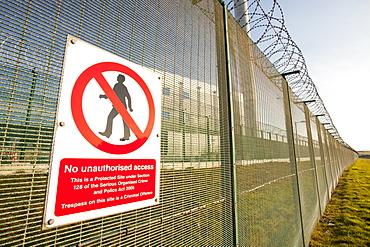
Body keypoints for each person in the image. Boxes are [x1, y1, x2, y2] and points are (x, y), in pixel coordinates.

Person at [99, 74, 133, 141]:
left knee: (111, 118)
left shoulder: (118, 86)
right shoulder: (122, 86)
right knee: (122, 120)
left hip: (120, 106)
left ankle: (109, 133)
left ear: (120, 79)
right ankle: (125, 135)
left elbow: (112, 94)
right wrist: (129, 107)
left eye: (118, 77)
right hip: (119, 106)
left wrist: (130, 107)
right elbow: (113, 94)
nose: (117, 78)